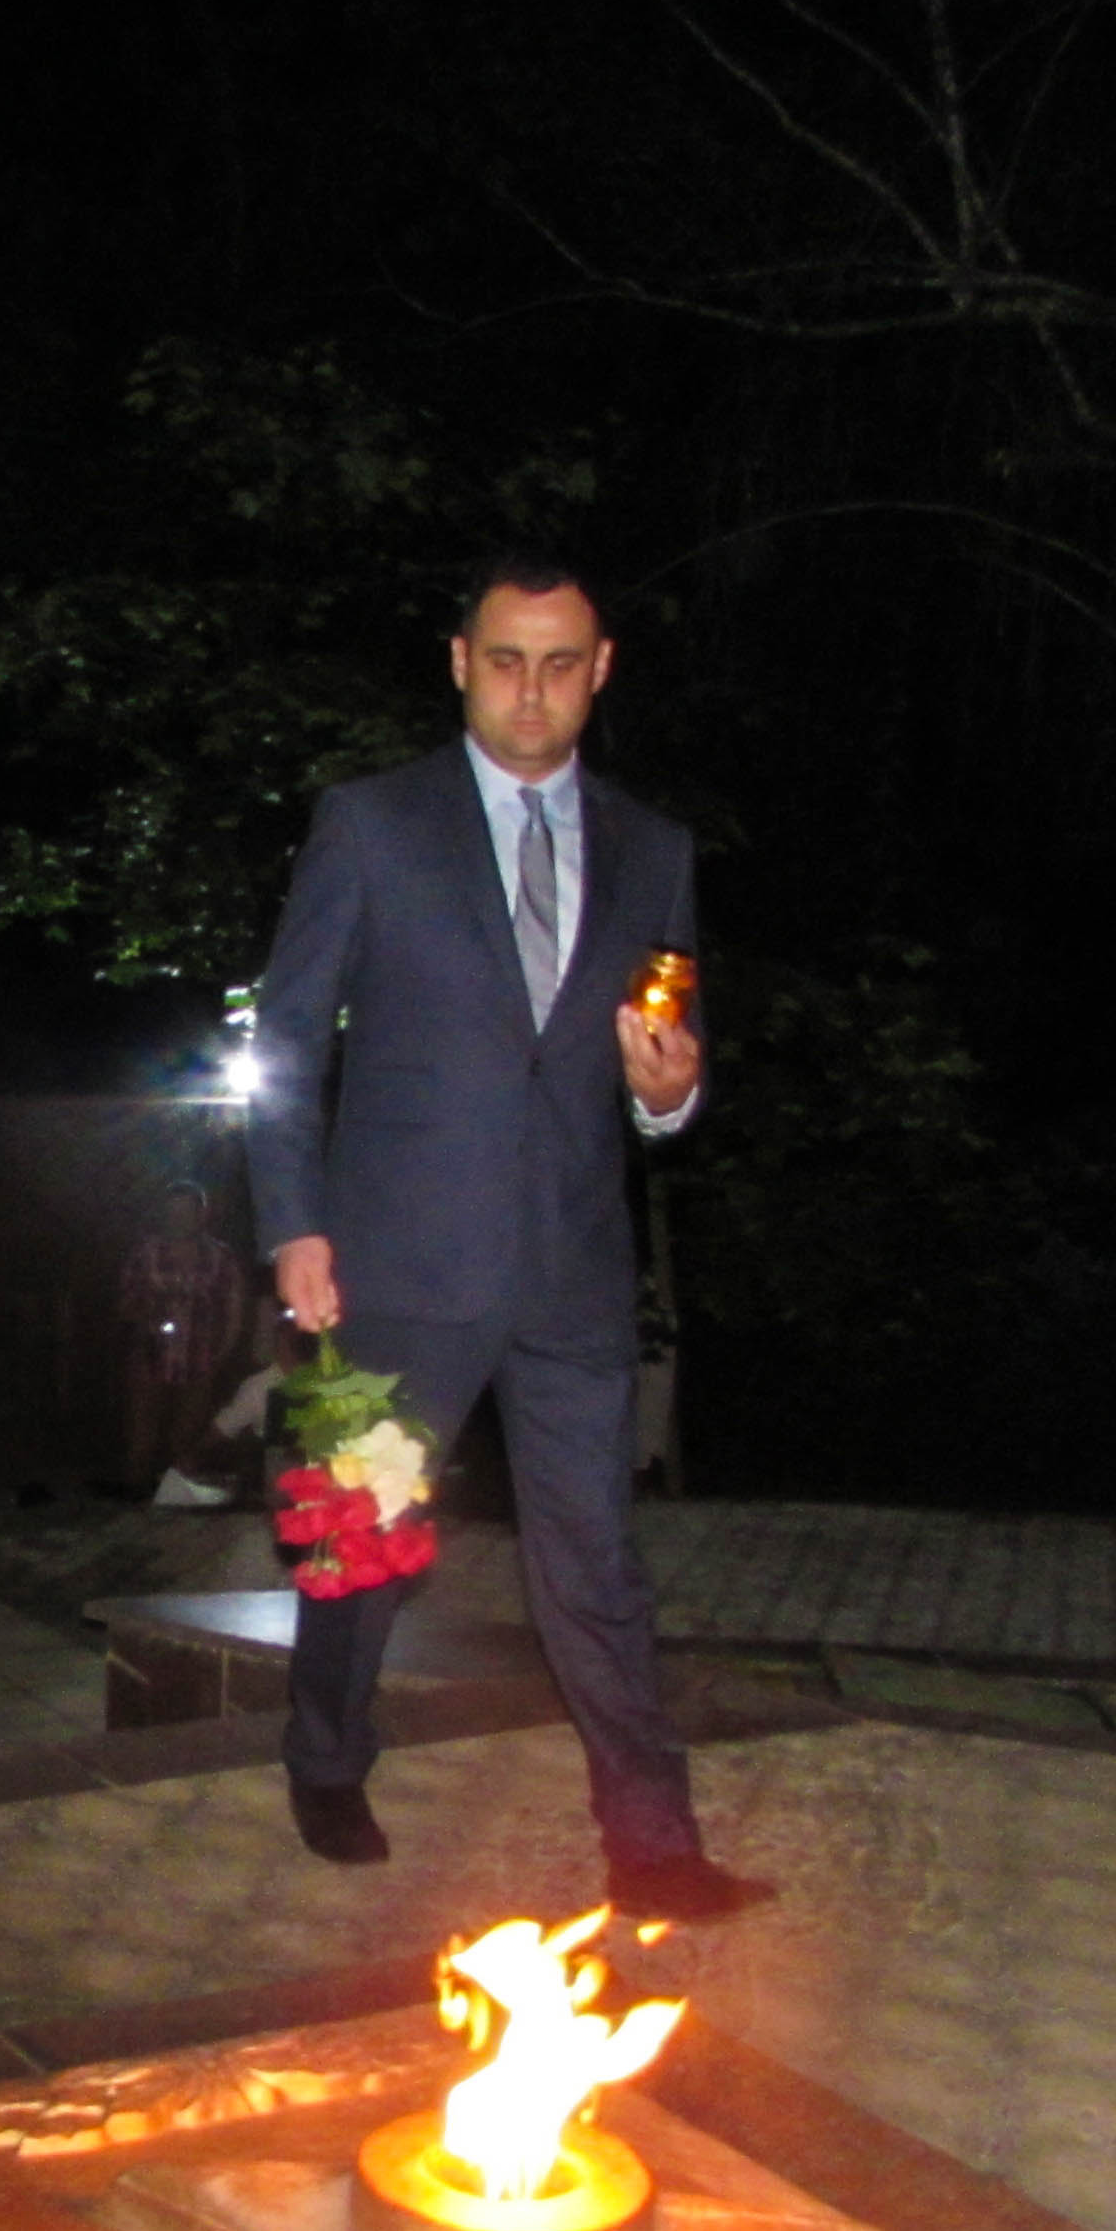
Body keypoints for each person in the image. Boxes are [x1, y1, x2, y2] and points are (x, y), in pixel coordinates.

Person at [244, 559, 774, 1927]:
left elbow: (666, 1049)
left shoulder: (653, 848)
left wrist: (672, 1093)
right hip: (396, 1259)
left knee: (596, 1566)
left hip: (574, 1266)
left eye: (558, 663)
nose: (530, 690)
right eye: (504, 660)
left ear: (600, 672)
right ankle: (325, 1758)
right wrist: (292, 1222)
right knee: (360, 1540)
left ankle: (652, 1840)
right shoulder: (374, 823)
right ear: (459, 663)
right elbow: (288, 1037)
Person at [116, 1180, 248, 1501]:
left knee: (187, 1437)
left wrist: (223, 1353)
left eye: (186, 1212)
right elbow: (124, 1302)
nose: (178, 1219)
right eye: (172, 1212)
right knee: (142, 1433)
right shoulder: (146, 1252)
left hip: (199, 1358)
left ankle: (177, 1500)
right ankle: (135, 1499)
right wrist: (149, 1315)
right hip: (150, 1357)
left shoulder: (220, 1257)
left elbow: (234, 1308)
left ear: (202, 1214)